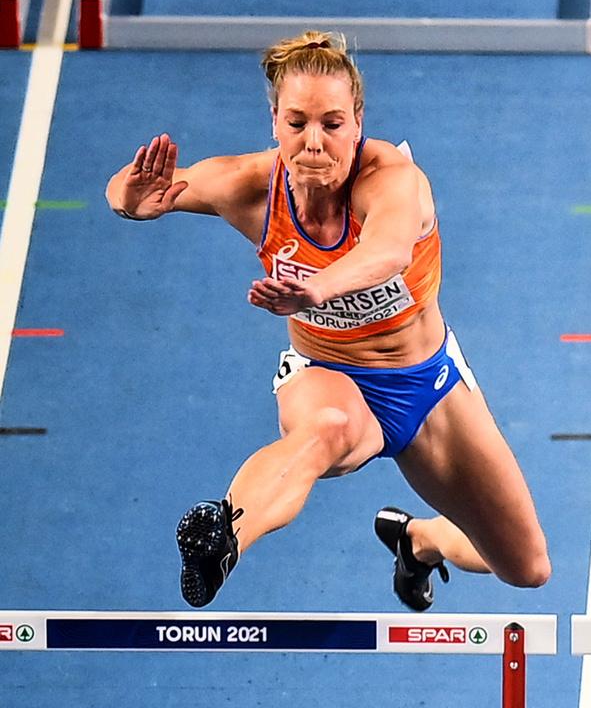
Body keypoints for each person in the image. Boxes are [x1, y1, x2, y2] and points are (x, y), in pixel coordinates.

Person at [104, 30, 550, 609]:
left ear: (357, 121)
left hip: (427, 383)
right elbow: (133, 190)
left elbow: (387, 252)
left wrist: (313, 289)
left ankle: (422, 540)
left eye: (332, 124)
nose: (313, 142)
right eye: (297, 123)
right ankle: (223, 537)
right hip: (327, 373)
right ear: (274, 122)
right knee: (329, 429)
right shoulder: (248, 187)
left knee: (527, 567)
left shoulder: (393, 180)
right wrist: (128, 200)